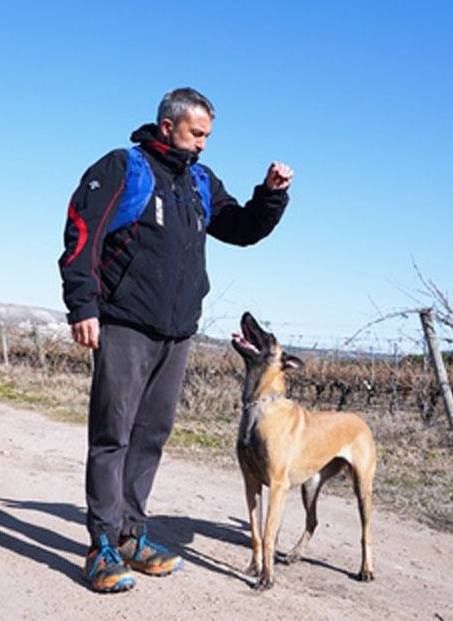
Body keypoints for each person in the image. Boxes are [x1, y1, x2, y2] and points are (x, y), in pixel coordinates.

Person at [58, 87, 292, 592]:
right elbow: (82, 233)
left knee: (151, 438)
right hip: (123, 324)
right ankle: (101, 546)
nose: (205, 144)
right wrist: (83, 306)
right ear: (168, 126)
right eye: (197, 133)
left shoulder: (200, 183)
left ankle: (131, 535)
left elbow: (240, 228)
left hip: (177, 332)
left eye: (209, 135)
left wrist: (270, 196)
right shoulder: (124, 168)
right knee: (111, 435)